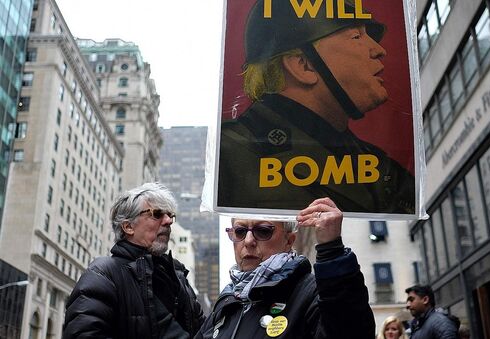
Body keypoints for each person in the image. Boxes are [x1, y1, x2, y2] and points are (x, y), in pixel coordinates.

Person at [217, 0, 415, 214]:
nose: (379, 50)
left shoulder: (383, 167)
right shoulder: (229, 153)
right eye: (356, 36)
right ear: (304, 66)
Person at [195, 197, 374, 338]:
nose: (248, 241)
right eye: (240, 231)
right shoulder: (228, 301)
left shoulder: (312, 292)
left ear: (289, 240)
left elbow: (351, 332)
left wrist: (331, 249)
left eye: (263, 231)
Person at [63, 183, 204, 338]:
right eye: (156, 214)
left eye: (170, 215)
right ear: (128, 226)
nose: (168, 221)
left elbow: (204, 331)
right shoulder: (103, 274)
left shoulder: (178, 277)